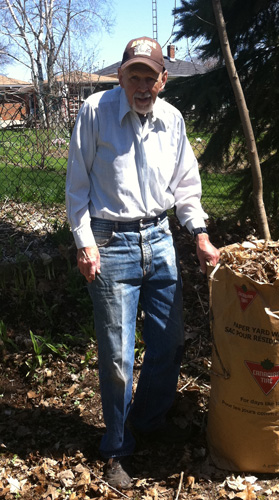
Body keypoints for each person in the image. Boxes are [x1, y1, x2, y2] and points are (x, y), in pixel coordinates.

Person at [66, 36, 220, 489]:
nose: (141, 84)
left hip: (160, 236)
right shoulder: (94, 112)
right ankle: (116, 446)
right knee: (117, 356)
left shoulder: (172, 120)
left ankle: (148, 420)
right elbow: (77, 188)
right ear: (120, 75)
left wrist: (200, 234)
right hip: (109, 242)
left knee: (169, 343)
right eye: (133, 74)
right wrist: (83, 243)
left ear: (163, 80)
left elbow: (186, 186)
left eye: (149, 76)